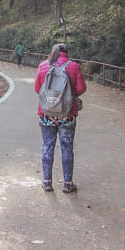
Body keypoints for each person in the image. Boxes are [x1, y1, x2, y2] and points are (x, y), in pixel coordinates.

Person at [34, 43, 86, 193]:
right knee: (67, 147)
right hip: (67, 114)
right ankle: (68, 183)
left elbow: (38, 89)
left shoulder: (43, 65)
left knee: (47, 146)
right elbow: (81, 88)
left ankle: (47, 182)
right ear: (66, 53)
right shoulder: (74, 66)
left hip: (47, 114)